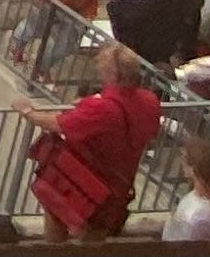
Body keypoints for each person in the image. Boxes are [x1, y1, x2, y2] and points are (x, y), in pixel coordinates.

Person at [23, 43, 161, 241]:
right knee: (97, 233)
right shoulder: (149, 101)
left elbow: (58, 124)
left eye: (102, 68)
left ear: (113, 74)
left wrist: (28, 111)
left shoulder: (103, 108)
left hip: (87, 179)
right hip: (121, 183)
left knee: (57, 211)